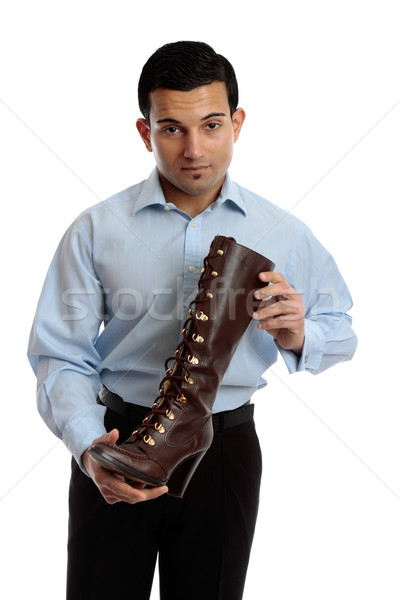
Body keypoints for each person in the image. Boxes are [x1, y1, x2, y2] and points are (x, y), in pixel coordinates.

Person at [28, 41, 357, 600]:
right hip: (118, 439)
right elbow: (60, 353)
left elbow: (342, 329)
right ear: (144, 132)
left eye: (211, 125)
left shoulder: (285, 232)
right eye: (171, 129)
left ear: (237, 122)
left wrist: (301, 333)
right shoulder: (96, 228)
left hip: (225, 449)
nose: (194, 149)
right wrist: (88, 447)